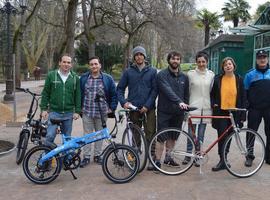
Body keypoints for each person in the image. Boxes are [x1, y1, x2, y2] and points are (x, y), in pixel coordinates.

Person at [117, 46, 157, 170]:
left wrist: (148, 105)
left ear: (145, 56)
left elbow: (155, 90)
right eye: (137, 55)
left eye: (141, 54)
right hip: (133, 108)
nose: (139, 57)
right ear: (134, 57)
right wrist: (124, 102)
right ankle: (134, 156)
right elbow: (119, 89)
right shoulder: (128, 72)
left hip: (148, 108)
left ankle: (151, 158)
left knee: (151, 132)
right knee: (135, 133)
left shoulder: (152, 71)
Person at [79, 56, 117, 167]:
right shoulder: (84, 78)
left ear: (100, 65)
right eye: (91, 64)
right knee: (87, 135)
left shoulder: (108, 79)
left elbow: (114, 94)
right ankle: (86, 156)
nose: (94, 66)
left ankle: (97, 155)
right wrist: (79, 107)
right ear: (89, 66)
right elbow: (79, 93)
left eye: (96, 64)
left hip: (102, 113)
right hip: (87, 111)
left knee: (100, 135)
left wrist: (112, 108)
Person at [210, 57, 246, 171]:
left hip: (234, 112)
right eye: (225, 65)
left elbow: (243, 97)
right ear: (223, 67)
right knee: (222, 136)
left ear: (233, 66)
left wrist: (242, 115)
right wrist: (214, 104)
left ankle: (225, 159)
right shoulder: (218, 79)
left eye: (229, 64)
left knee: (230, 136)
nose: (228, 66)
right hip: (221, 111)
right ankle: (221, 160)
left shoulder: (239, 79)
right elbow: (212, 94)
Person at [154, 51, 189, 168]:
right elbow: (167, 90)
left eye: (178, 59)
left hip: (178, 113)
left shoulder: (184, 77)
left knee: (173, 136)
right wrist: (179, 102)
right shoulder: (162, 75)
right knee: (161, 137)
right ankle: (157, 161)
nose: (175, 61)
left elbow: (186, 95)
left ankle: (168, 158)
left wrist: (185, 110)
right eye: (173, 59)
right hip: (164, 111)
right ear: (169, 60)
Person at [40, 54, 81, 144]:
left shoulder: (75, 78)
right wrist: (43, 109)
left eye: (68, 62)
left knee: (67, 139)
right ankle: (48, 156)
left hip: (68, 113)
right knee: (49, 136)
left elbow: (78, 95)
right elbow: (46, 93)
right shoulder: (51, 75)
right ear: (60, 63)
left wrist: (77, 111)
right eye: (64, 62)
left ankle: (64, 157)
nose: (66, 64)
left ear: (71, 65)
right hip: (54, 112)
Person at [183, 52, 215, 166]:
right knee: (191, 134)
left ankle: (198, 155)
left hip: (206, 108)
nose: (201, 64)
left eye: (204, 62)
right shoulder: (190, 74)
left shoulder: (211, 75)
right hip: (193, 107)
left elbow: (212, 91)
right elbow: (186, 91)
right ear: (196, 62)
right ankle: (188, 155)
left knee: (201, 135)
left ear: (207, 62)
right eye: (199, 61)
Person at [244, 50, 270, 166]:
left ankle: (268, 157)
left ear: (267, 59)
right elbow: (245, 92)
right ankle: (249, 156)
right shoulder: (250, 75)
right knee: (251, 133)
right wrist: (248, 106)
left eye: (264, 57)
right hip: (255, 109)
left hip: (269, 109)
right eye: (260, 57)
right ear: (256, 59)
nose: (262, 59)